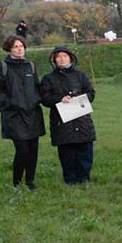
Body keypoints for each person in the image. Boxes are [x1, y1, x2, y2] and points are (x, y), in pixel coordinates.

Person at [0, 34, 46, 189]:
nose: (19, 49)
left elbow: (37, 87)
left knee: (33, 150)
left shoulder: (30, 66)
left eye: (21, 46)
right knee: (22, 150)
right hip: (14, 115)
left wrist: (37, 99)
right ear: (9, 49)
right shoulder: (2, 67)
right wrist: (12, 103)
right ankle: (16, 182)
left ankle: (30, 181)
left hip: (33, 114)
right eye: (16, 46)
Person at [39, 46, 97, 185]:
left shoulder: (81, 75)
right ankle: (70, 180)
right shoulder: (48, 78)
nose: (62, 59)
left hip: (82, 119)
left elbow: (91, 93)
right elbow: (44, 98)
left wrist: (79, 98)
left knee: (85, 150)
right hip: (61, 121)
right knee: (67, 152)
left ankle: (84, 178)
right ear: (54, 60)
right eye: (58, 56)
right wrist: (60, 99)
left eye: (64, 56)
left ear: (70, 58)